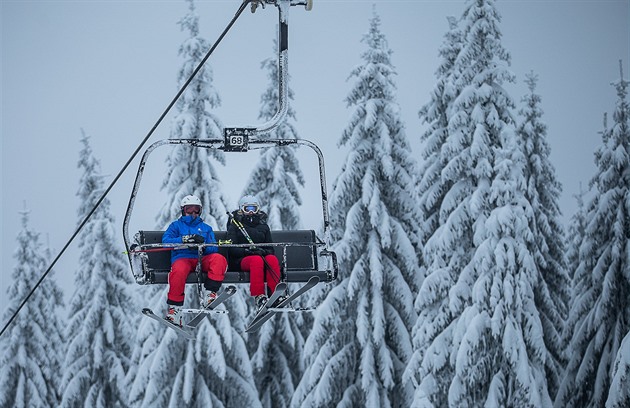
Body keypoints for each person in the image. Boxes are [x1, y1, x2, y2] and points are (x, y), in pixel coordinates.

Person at [162, 194, 228, 327]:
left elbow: (213, 248)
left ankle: (210, 293)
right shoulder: (175, 226)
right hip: (183, 258)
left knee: (219, 259)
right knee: (178, 271)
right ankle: (175, 310)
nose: (193, 213)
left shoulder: (206, 228)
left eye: (196, 209)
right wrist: (184, 240)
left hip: (200, 258)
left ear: (200, 210)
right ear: (183, 210)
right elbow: (166, 242)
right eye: (189, 209)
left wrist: (204, 247)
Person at [227, 194, 283, 311]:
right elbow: (232, 248)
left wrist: (262, 251)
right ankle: (259, 296)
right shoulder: (235, 225)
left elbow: (270, 249)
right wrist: (248, 252)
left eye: (254, 209)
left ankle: (275, 294)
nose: (251, 212)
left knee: (272, 259)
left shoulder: (263, 226)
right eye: (248, 209)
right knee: (256, 260)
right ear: (242, 210)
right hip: (240, 260)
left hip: (260, 257)